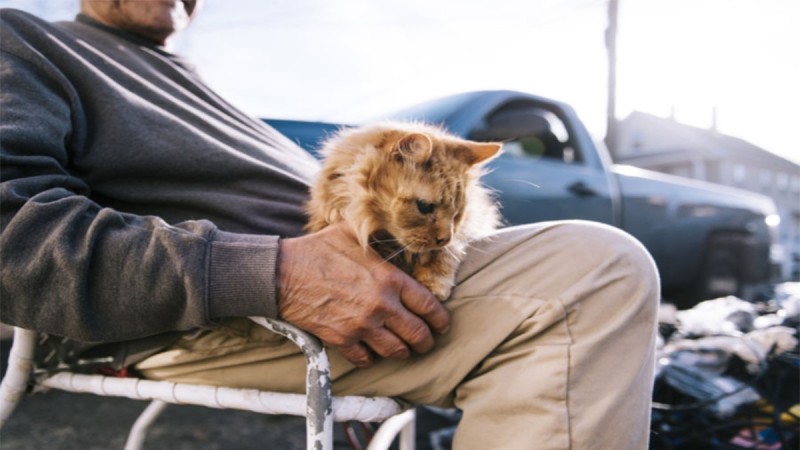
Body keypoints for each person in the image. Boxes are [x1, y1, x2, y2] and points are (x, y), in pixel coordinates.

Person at [0, 1, 660, 448]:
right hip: (221, 315)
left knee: (578, 266)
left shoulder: (192, 80)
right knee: (594, 277)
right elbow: (12, 236)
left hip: (349, 284)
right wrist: (273, 273)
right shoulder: (24, 39)